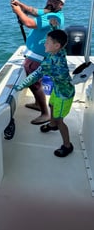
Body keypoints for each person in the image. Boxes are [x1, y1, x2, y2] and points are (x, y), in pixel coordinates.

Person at [12, 29, 75, 157]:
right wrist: (52, 30)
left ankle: (67, 145)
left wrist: (18, 87)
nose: (44, 44)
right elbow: (55, 41)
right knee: (51, 105)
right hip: (57, 90)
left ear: (56, 46)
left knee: (59, 120)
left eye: (47, 42)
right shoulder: (60, 51)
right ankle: (52, 125)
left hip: (64, 95)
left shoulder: (50, 63)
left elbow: (35, 75)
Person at [11, 0, 65, 124]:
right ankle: (37, 103)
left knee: (35, 85)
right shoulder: (48, 12)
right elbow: (33, 11)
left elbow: (29, 23)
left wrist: (18, 11)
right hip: (34, 56)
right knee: (35, 84)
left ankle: (45, 113)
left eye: (54, 1)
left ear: (61, 5)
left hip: (38, 58)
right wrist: (20, 5)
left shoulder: (54, 17)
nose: (50, 2)